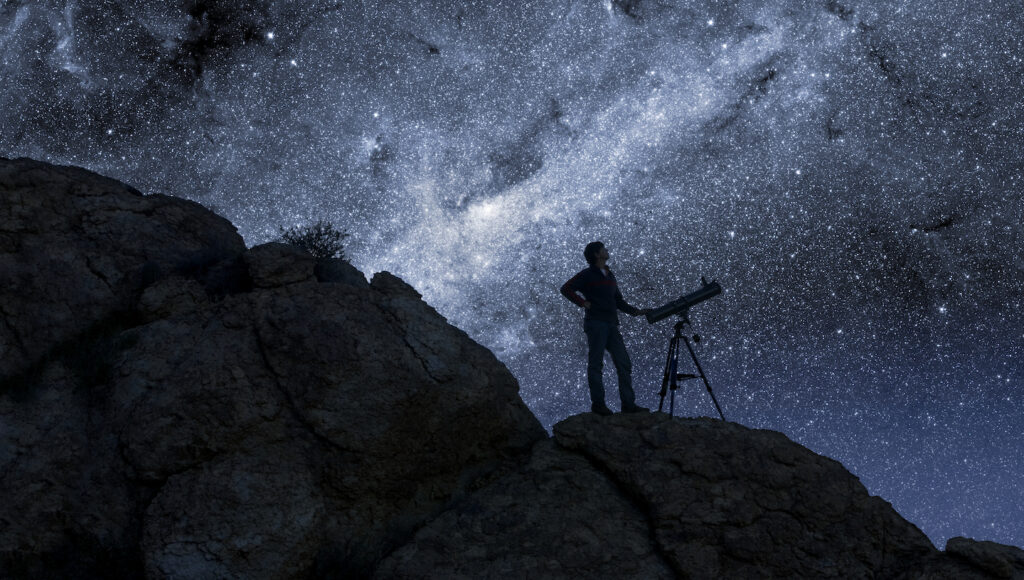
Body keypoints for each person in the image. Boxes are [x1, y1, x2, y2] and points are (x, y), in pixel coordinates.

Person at [560, 241, 650, 416]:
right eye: (604, 249)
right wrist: (582, 302)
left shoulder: (610, 275)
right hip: (596, 324)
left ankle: (628, 405)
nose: (607, 251)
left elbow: (618, 301)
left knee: (623, 362)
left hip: (611, 324)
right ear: (596, 254)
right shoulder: (587, 275)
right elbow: (566, 288)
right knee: (596, 364)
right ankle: (599, 405)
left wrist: (635, 312)